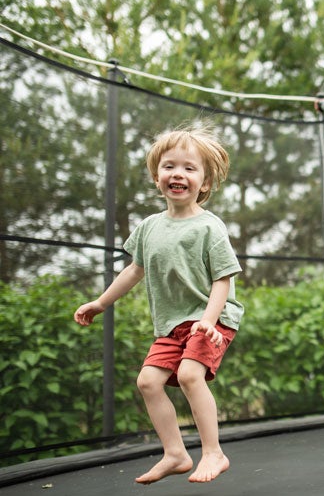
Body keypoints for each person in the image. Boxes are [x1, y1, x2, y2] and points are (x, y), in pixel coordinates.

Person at [74, 124, 244, 484]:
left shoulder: (209, 227)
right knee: (148, 381)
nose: (177, 174)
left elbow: (223, 279)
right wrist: (100, 303)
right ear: (156, 177)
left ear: (205, 183)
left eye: (189, 168)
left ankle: (214, 453)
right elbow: (134, 270)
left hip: (210, 319)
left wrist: (209, 322)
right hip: (172, 324)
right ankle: (175, 453)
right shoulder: (149, 226)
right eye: (169, 166)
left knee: (188, 374)